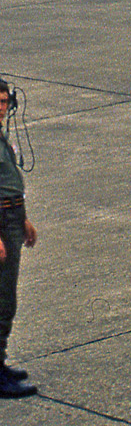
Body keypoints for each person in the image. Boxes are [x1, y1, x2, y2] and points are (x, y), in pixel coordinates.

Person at [0, 78, 37, 398]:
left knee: (6, 298)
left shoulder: (1, 135)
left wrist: (23, 219)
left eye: (3, 102)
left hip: (12, 215)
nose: (1, 108)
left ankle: (0, 362)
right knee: (1, 299)